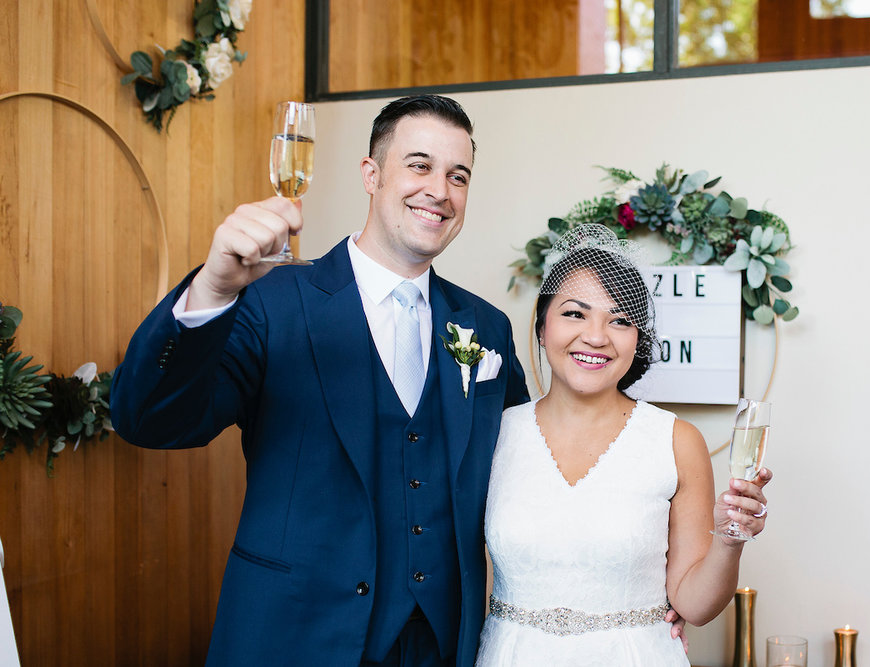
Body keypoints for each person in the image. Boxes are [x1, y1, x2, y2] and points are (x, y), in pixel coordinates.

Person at [111, 95, 531, 666]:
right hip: (295, 635)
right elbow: (150, 420)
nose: (440, 189)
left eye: (458, 176)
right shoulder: (270, 301)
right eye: (419, 165)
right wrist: (211, 289)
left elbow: (523, 481)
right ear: (371, 174)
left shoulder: (485, 326)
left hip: (439, 642)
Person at [475, 225, 772, 665]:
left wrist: (731, 540)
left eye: (619, 320)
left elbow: (693, 604)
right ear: (542, 326)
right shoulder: (492, 434)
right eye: (575, 314)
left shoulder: (676, 440)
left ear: (638, 340)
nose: (596, 336)